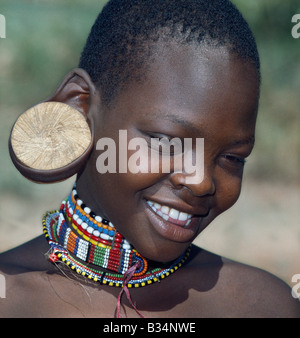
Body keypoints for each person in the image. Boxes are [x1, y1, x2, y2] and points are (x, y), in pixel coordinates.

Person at [1, 0, 299, 318]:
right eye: (166, 141)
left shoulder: (263, 305)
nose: (201, 181)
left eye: (231, 157)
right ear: (81, 108)